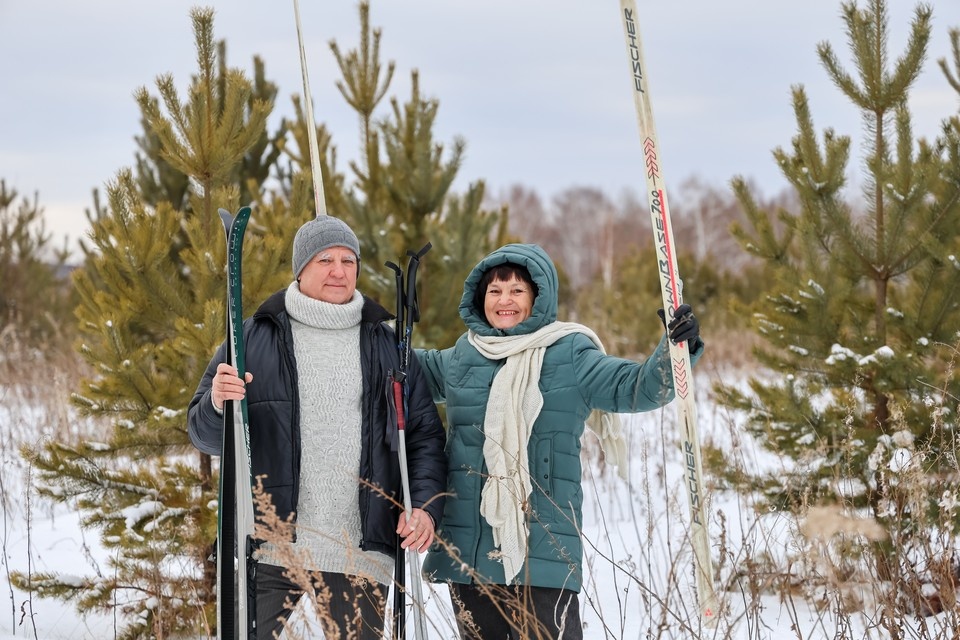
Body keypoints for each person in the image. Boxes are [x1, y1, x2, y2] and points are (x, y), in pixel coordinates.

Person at [416, 243, 704, 640]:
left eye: (517, 290)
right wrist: (366, 330)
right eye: (495, 291)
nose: (505, 301)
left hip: (545, 544)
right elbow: (400, 370)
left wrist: (675, 349)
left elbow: (638, 388)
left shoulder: (570, 353)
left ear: (538, 297)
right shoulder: (464, 355)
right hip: (470, 546)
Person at [187, 215, 447, 640]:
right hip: (270, 543)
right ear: (300, 268)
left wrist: (425, 508)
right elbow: (204, 436)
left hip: (360, 550)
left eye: (348, 260)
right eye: (325, 259)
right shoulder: (250, 338)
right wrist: (217, 403)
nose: (339, 270)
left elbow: (423, 439)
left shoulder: (388, 347)